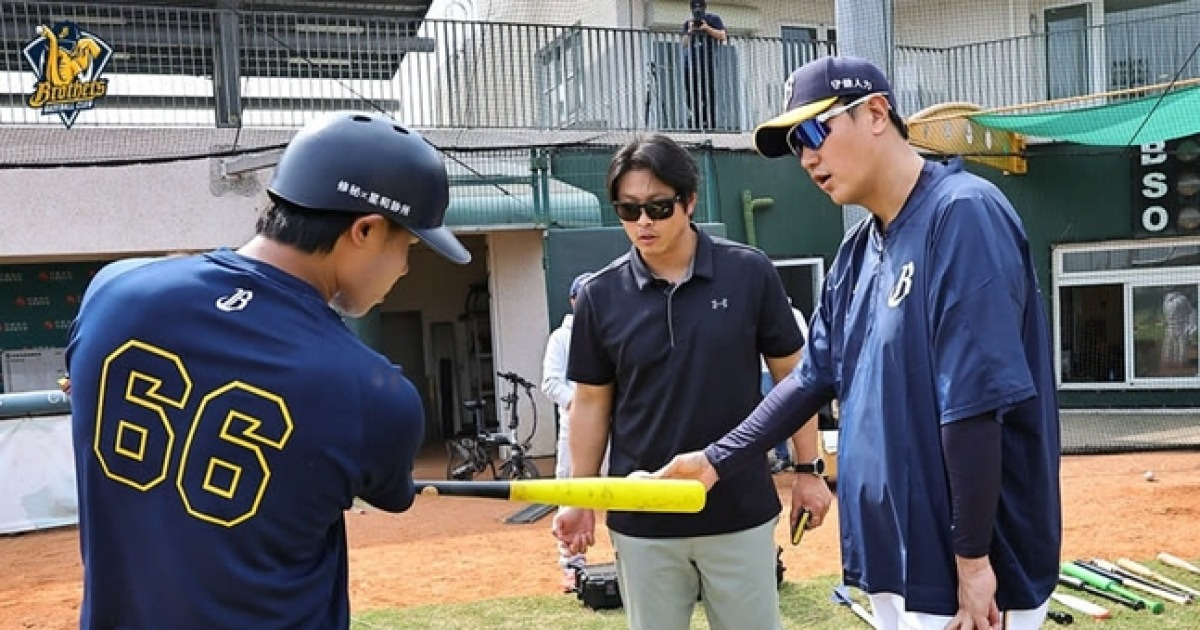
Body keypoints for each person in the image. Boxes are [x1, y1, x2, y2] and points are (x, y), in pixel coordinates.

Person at [652, 56, 1062, 630]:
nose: (807, 156)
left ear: (875, 113)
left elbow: (974, 403)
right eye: (796, 144)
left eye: (815, 131)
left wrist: (971, 562)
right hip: (896, 555)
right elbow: (811, 378)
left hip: (968, 566)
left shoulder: (963, 215)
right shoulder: (856, 254)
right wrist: (714, 461)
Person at [65, 111, 471, 630]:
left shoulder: (113, 292)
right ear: (365, 230)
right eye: (407, 245)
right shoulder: (376, 393)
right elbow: (389, 494)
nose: (405, 267)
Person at [551, 133, 832, 630]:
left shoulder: (749, 272)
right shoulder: (599, 295)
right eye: (628, 209)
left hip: (738, 508)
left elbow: (795, 375)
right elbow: (590, 404)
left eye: (659, 208)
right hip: (642, 518)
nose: (643, 223)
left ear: (690, 201)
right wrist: (580, 497)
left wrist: (809, 469)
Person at [540, 270, 594, 591]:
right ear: (573, 301)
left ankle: (629, 558)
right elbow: (550, 383)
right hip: (573, 428)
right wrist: (584, 407)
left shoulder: (610, 333)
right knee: (571, 494)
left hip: (615, 429)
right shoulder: (561, 337)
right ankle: (572, 566)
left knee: (626, 491)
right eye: (583, 298)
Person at [680, 0, 726, 131]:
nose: (697, 9)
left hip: (708, 63)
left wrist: (707, 29)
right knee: (691, 94)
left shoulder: (713, 19)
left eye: (700, 6)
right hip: (691, 64)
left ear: (705, 7)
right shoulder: (689, 23)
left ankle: (710, 124)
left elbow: (722, 36)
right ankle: (695, 123)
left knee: (709, 94)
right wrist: (690, 31)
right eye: (694, 7)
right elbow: (684, 43)